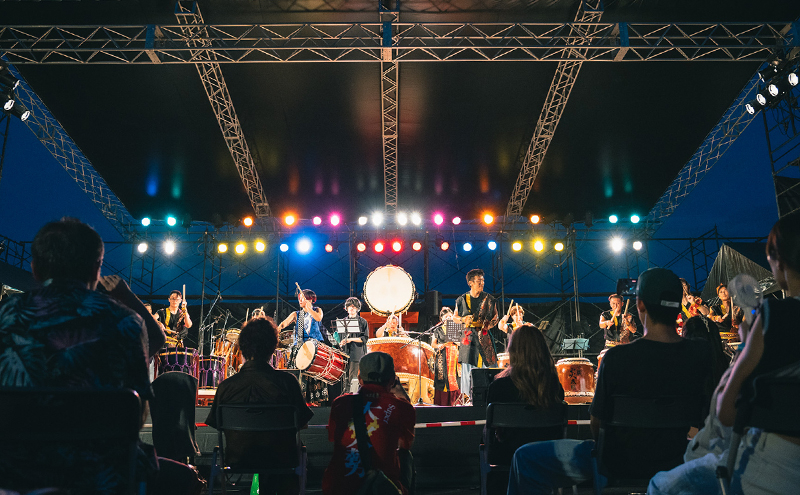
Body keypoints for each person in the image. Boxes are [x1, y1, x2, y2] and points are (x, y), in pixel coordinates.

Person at [0, 218, 202, 495]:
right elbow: (135, 417)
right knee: (185, 479)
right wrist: (125, 296)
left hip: (13, 468)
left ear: (34, 268)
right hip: (103, 474)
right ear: (97, 268)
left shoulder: (6, 315)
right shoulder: (124, 321)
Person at [507, 267, 711, 494]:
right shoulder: (701, 355)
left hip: (617, 463)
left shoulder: (617, 358)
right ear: (679, 305)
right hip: (679, 459)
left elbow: (597, 425)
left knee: (524, 457)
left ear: (640, 305)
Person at [715, 212, 800, 494]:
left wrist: (745, 346)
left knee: (662, 485)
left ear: (779, 261)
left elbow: (727, 412)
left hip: (777, 468)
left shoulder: (774, 315)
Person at [206, 317, 313, 495]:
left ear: (242, 346)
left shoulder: (226, 387)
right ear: (273, 346)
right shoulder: (288, 382)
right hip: (280, 459)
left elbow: (217, 424)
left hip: (238, 458)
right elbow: (302, 424)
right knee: (295, 450)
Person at [322, 352, 416, 495]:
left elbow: (333, 438)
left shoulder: (340, 403)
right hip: (381, 487)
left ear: (359, 379)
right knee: (406, 455)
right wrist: (404, 397)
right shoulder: (401, 407)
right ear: (393, 380)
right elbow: (405, 445)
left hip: (338, 487)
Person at [485, 324, 565, 464]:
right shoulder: (555, 388)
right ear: (543, 350)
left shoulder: (498, 387)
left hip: (508, 458)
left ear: (513, 351)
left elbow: (491, 431)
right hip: (546, 458)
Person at [454, 269, 499, 398]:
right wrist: (463, 319)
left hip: (484, 337)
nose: (482, 283)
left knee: (490, 369)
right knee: (468, 369)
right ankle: (468, 398)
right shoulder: (462, 299)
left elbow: (496, 316)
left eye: (483, 280)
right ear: (470, 283)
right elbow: (455, 317)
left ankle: (491, 397)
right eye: (479, 281)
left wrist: (490, 324)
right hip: (468, 338)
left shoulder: (489, 299)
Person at [430, 307, 460, 406]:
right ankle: (442, 403)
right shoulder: (437, 330)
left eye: (450, 316)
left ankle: (455, 402)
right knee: (442, 378)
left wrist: (455, 340)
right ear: (442, 318)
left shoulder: (456, 327)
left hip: (454, 356)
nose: (448, 318)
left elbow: (461, 343)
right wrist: (439, 345)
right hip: (442, 356)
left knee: (455, 378)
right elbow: (433, 344)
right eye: (446, 316)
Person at [339, 297, 369, 392]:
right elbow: (340, 337)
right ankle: (346, 396)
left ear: (357, 308)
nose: (352, 308)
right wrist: (342, 342)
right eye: (350, 306)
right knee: (345, 378)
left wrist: (351, 339)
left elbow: (365, 338)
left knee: (353, 378)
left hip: (357, 353)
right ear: (346, 308)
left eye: (354, 306)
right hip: (345, 353)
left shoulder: (363, 322)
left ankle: (353, 396)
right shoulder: (342, 322)